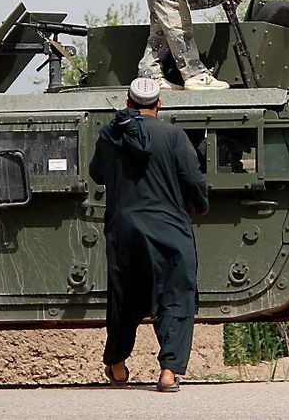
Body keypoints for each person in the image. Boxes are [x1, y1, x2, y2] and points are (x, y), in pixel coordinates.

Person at [90, 77, 209, 392]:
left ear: (128, 103)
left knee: (123, 296)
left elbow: (96, 173)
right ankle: (169, 372)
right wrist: (200, 205)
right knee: (176, 294)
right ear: (160, 104)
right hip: (168, 229)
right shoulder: (173, 136)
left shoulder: (110, 137)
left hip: (124, 229)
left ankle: (116, 365)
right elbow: (193, 179)